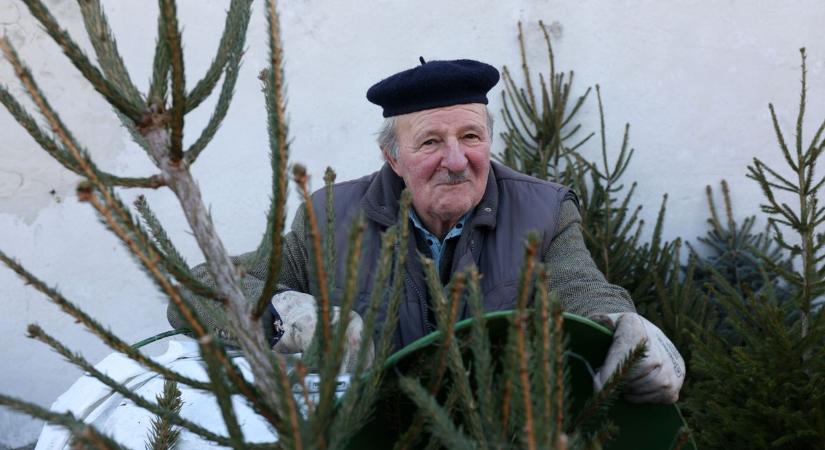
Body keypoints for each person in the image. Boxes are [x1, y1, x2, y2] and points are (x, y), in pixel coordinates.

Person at [169, 58, 684, 404]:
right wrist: (281, 316)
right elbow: (199, 289)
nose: (456, 160)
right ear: (392, 156)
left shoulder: (545, 210)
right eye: (431, 142)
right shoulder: (327, 218)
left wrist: (622, 324)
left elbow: (582, 290)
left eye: (471, 136)